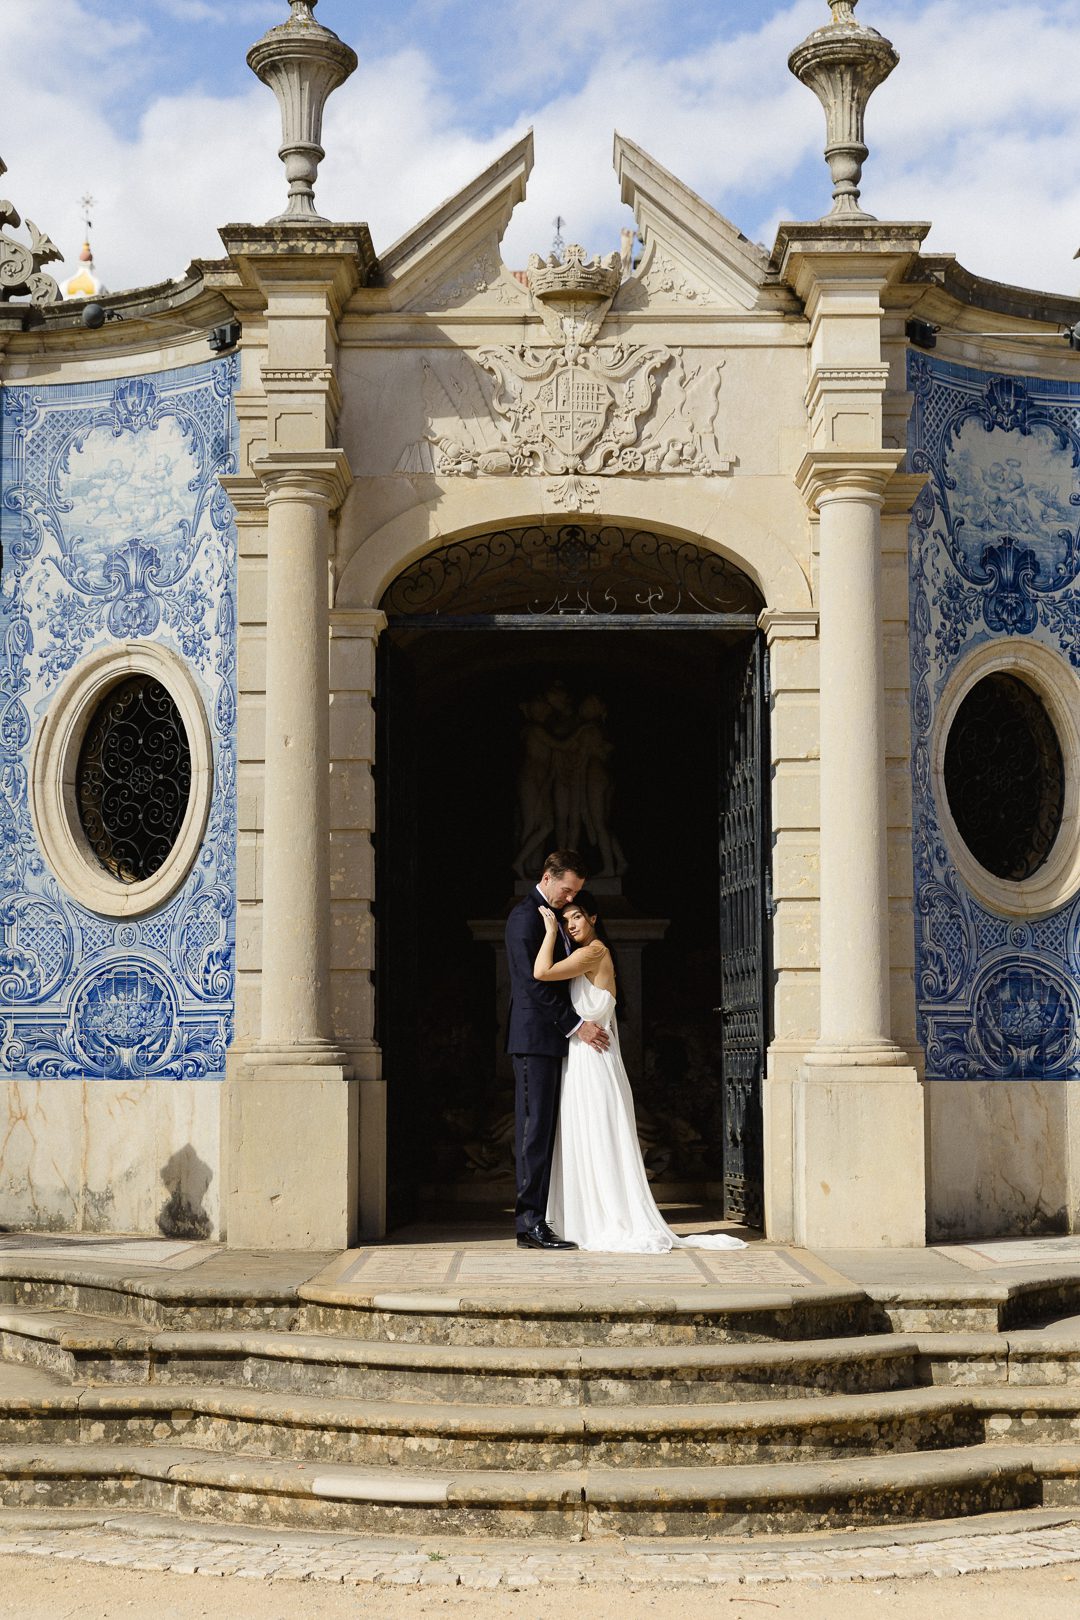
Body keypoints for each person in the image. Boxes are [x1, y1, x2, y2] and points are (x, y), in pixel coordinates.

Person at [534, 891, 747, 1254]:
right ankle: (586, 1217)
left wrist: (550, 931)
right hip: (581, 1056)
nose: (571, 924)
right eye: (566, 919)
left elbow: (541, 972)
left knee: (598, 1132)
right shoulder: (583, 954)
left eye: (577, 917)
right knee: (582, 1132)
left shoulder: (595, 952)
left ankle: (607, 1217)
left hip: (593, 1059)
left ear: (593, 919)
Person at [504, 851, 611, 1251]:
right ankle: (529, 1224)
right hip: (535, 1039)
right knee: (534, 1131)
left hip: (555, 1041)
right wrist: (576, 1025)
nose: (570, 899)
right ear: (547, 878)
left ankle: (545, 1218)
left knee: (548, 1131)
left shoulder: (551, 915)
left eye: (576, 893)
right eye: (567, 890)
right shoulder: (524, 917)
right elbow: (532, 983)